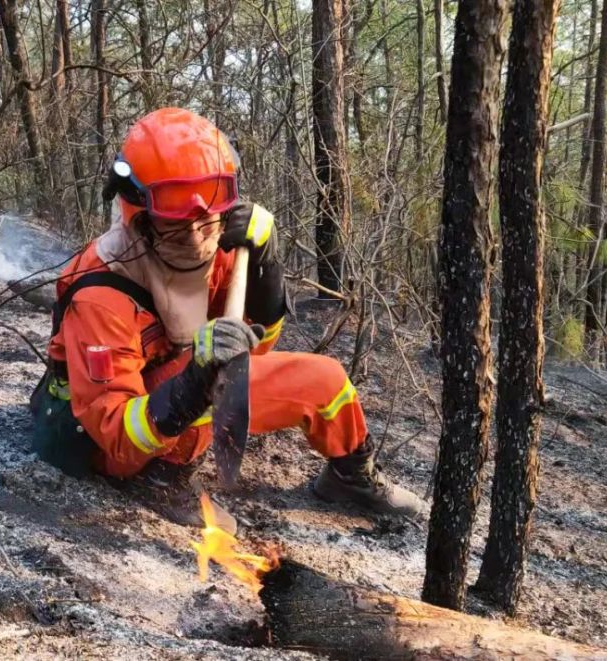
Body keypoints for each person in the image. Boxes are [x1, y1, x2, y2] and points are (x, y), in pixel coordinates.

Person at [30, 108, 423, 532]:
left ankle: (350, 477)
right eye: (179, 220)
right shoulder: (101, 296)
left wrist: (265, 269)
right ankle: (160, 480)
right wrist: (195, 383)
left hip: (170, 387)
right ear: (140, 213)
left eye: (209, 212)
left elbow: (259, 347)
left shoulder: (213, 252)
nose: (199, 231)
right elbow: (117, 435)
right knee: (213, 379)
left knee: (326, 381)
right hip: (102, 438)